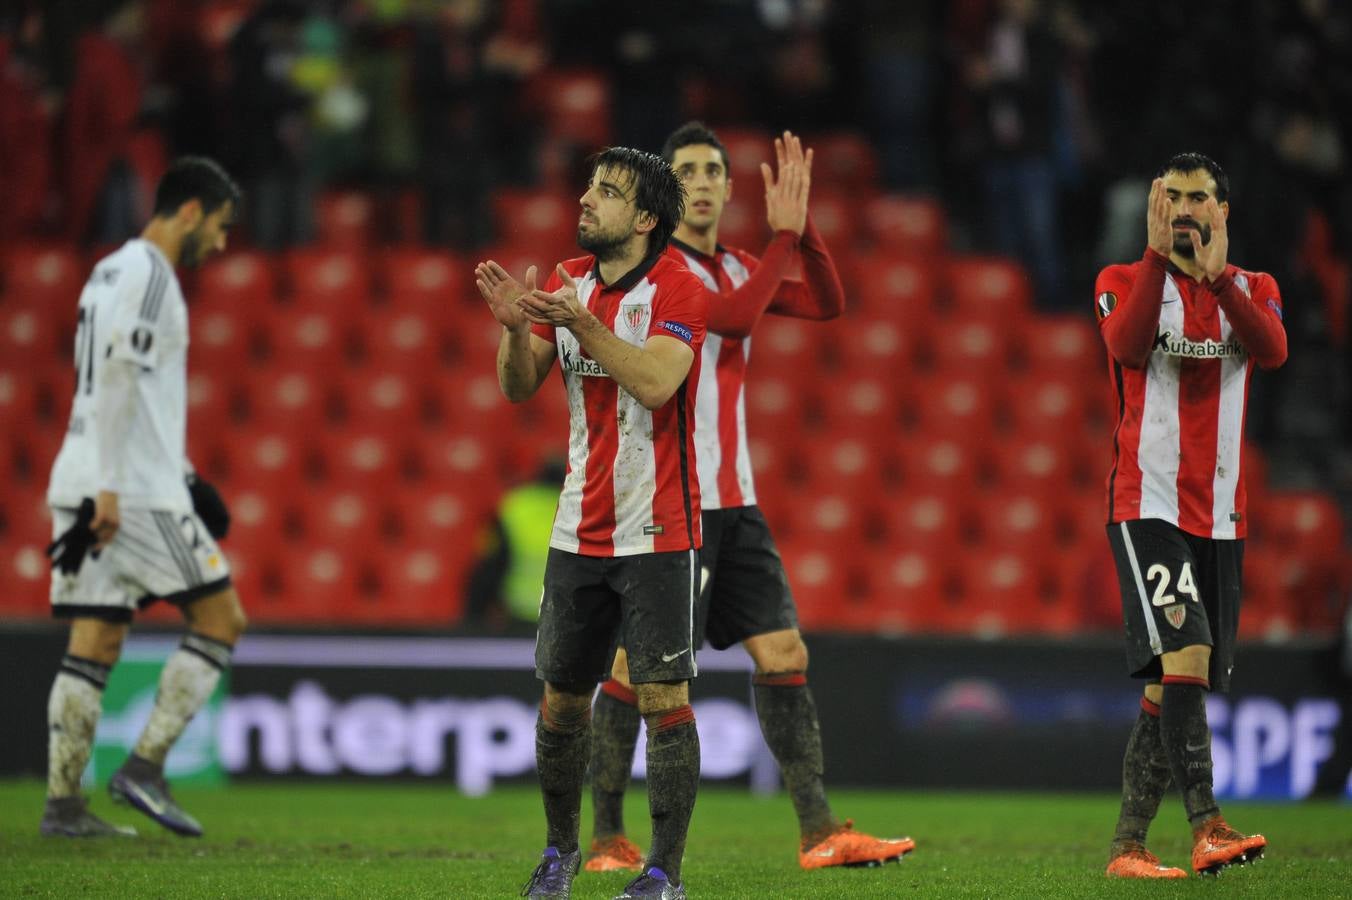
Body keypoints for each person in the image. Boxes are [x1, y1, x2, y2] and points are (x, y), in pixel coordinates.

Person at [582, 122, 915, 875]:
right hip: (676, 500)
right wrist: (783, 242)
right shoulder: (661, 269)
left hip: (737, 500)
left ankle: (818, 831)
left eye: (712, 171)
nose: (701, 182)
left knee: (784, 651)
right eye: (686, 171)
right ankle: (604, 837)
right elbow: (729, 320)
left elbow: (827, 302)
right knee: (640, 668)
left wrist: (803, 228)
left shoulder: (738, 263)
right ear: (666, 190)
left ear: (732, 189)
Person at [475, 146, 707, 900]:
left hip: (659, 531)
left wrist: (585, 325)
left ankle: (664, 873)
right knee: (561, 699)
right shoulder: (569, 279)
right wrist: (515, 330)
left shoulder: (680, 286)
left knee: (662, 696)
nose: (586, 198)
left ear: (644, 218)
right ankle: (557, 855)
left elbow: (658, 382)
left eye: (607, 191)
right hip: (579, 531)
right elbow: (518, 388)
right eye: (589, 185)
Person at [40, 156, 246, 839]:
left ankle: (65, 806)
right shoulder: (155, 276)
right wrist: (111, 486)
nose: (219, 243)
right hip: (125, 490)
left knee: (94, 639)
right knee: (221, 621)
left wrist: (182, 472)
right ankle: (146, 768)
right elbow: (122, 374)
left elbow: (117, 385)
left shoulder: (105, 271)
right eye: (217, 226)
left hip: (87, 474)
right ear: (189, 211)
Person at [1097, 153, 1285, 878]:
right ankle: (1207, 825)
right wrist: (1153, 258)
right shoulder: (1122, 282)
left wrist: (1219, 282)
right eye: (1170, 196)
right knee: (1188, 657)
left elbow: (1272, 350)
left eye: (1198, 197)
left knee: (1166, 683)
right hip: (1146, 505)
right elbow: (1125, 345)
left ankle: (1127, 848)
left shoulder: (1255, 289)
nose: (1184, 209)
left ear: (1222, 210)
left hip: (1222, 518)